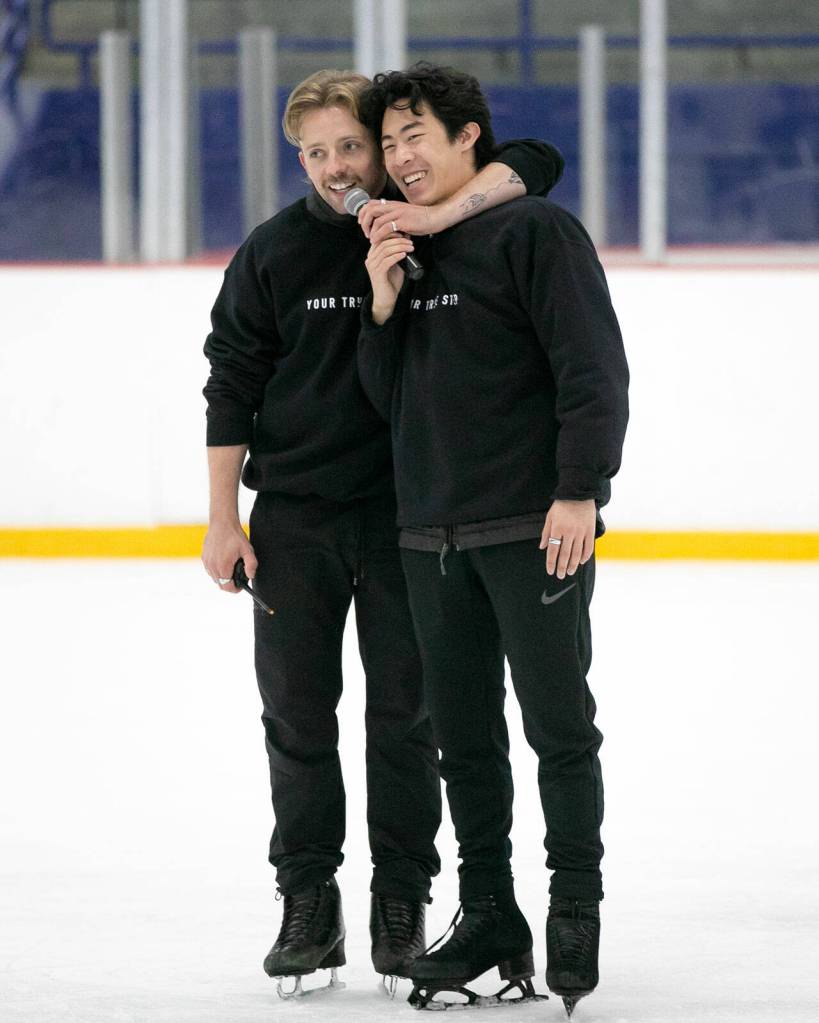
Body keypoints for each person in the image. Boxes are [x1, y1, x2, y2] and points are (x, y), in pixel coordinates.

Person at [201, 67, 565, 993]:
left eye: (350, 146)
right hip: (293, 520)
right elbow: (229, 384)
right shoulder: (272, 251)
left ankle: (401, 896)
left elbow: (534, 158)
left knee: (406, 717)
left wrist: (431, 217)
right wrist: (222, 518)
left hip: (408, 514)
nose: (335, 167)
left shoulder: (436, 226)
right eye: (313, 152)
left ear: (382, 148)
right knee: (296, 713)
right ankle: (307, 899)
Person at [357, 63, 629, 1013]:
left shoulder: (535, 231)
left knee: (558, 728)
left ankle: (574, 907)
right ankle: (487, 913)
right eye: (387, 144)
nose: (399, 157)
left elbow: (593, 369)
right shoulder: (402, 252)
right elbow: (385, 402)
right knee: (464, 742)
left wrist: (579, 490)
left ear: (468, 135)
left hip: (532, 526)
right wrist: (381, 304)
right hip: (428, 532)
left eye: (414, 136)